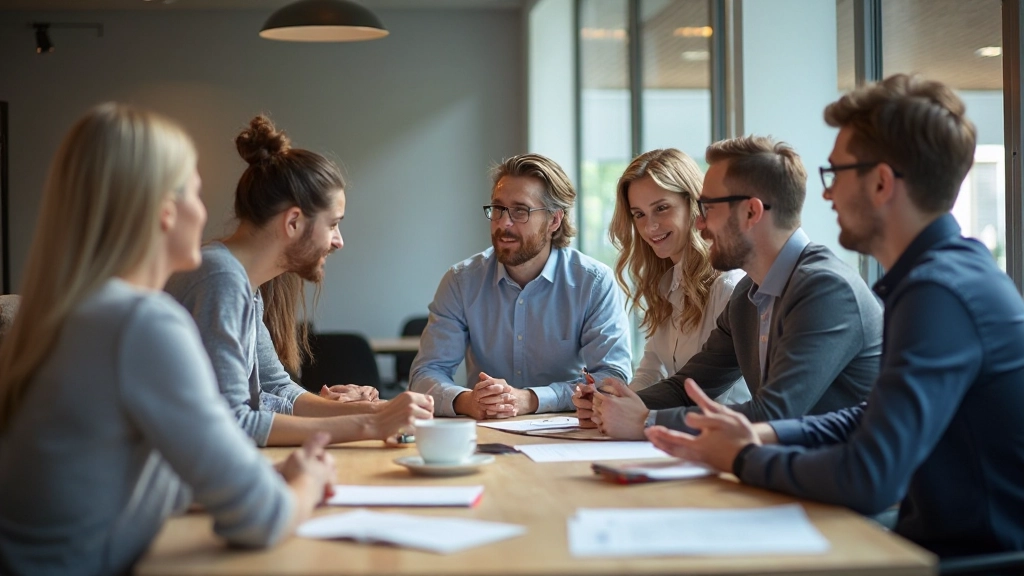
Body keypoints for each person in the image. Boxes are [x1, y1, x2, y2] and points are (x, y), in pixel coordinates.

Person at [647, 74, 1024, 558]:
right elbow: (870, 417)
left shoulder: (939, 292)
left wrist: (743, 457)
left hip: (966, 560)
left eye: (837, 174)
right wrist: (764, 434)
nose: (826, 195)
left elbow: (871, 475)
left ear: (882, 182)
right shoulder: (945, 276)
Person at [0, 103, 334, 575]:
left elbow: (130, 475)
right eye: (196, 192)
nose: (205, 212)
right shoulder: (141, 323)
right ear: (163, 212)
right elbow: (262, 520)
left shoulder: (65, 313)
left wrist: (269, 473)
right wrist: (310, 482)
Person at [582, 136, 882, 440]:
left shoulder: (827, 290)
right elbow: (688, 387)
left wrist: (646, 421)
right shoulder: (747, 296)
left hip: (835, 479)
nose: (699, 224)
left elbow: (773, 415)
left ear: (751, 212)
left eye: (708, 208)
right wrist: (614, 405)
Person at [166, 115, 432, 446]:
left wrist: (376, 410)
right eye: (333, 224)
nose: (339, 241)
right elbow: (234, 423)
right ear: (293, 221)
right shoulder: (220, 279)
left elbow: (275, 387)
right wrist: (368, 424)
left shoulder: (241, 282)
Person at [409, 153, 632, 419]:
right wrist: (468, 401)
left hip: (567, 433)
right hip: (485, 430)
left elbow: (611, 378)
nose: (504, 223)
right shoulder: (461, 281)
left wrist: (531, 399)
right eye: (498, 209)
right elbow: (426, 373)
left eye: (520, 211)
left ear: (554, 221)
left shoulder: (593, 283)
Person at [574, 149, 748, 429]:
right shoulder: (667, 285)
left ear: (693, 204)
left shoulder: (729, 287)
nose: (650, 226)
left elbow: (707, 393)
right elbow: (651, 372)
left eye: (661, 208)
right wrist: (609, 402)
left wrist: (631, 411)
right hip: (673, 435)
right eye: (639, 214)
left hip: (714, 438)